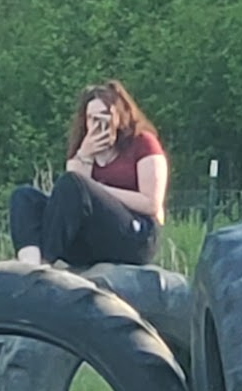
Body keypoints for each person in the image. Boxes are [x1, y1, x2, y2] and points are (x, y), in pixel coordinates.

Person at [9, 81, 169, 269]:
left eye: (104, 117)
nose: (98, 124)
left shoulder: (142, 143)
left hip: (134, 235)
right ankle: (30, 265)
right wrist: (84, 156)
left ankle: (47, 261)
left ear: (119, 116)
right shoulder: (82, 149)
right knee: (24, 196)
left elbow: (151, 203)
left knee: (74, 182)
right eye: (92, 118)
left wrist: (98, 189)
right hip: (91, 239)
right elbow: (71, 200)